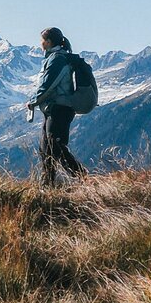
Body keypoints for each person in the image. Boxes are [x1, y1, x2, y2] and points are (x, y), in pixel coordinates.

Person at [26, 27, 88, 185]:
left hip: (60, 109)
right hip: (53, 110)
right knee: (46, 149)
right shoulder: (54, 57)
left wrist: (33, 101)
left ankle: (82, 177)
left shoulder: (57, 59)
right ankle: (48, 185)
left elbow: (49, 84)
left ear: (47, 42)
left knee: (56, 146)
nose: (40, 43)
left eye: (42, 40)